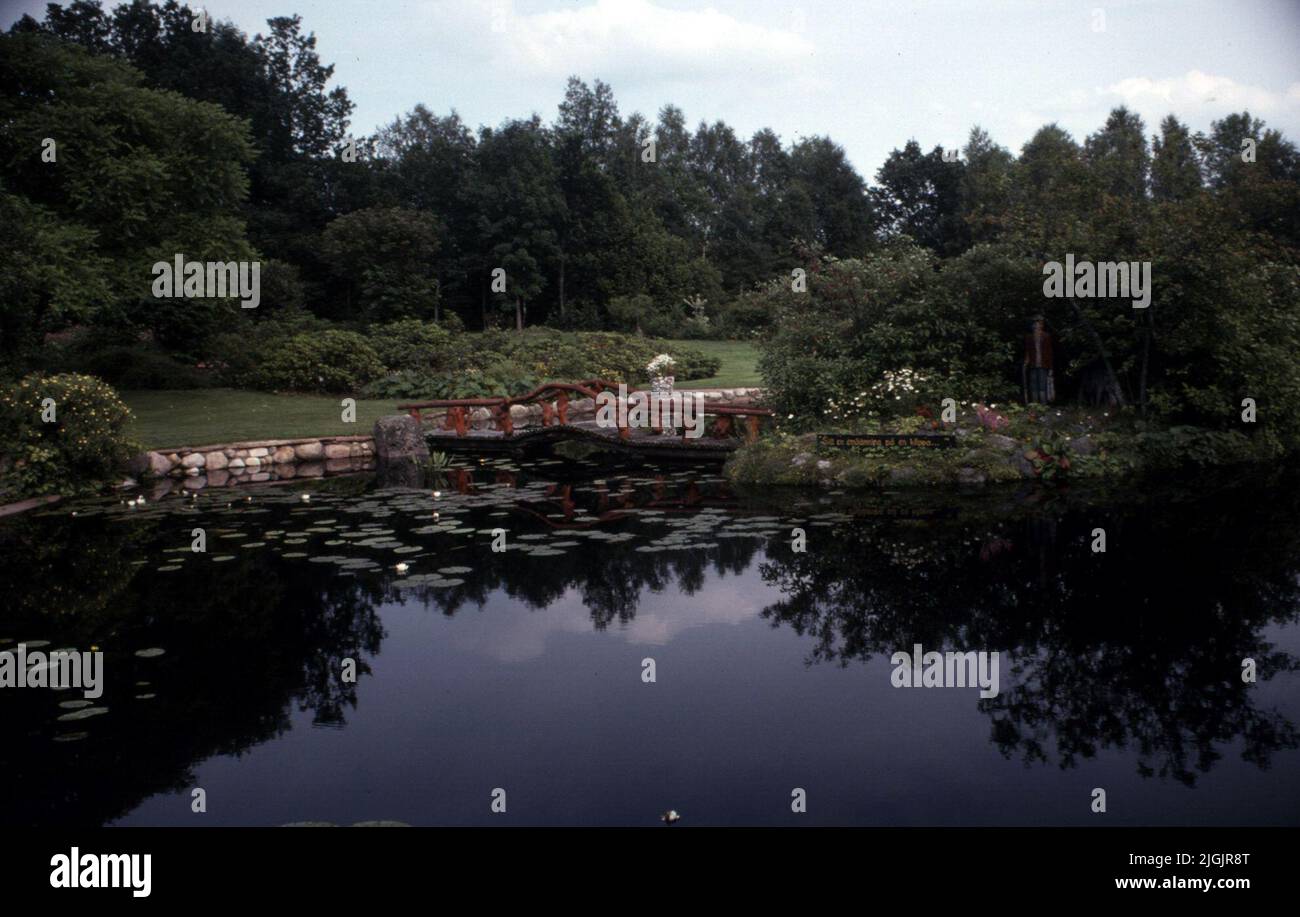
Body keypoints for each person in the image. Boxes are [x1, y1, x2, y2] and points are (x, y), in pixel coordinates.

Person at [1023, 316, 1055, 404]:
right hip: (1033, 365)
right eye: (1035, 324)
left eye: (1038, 324)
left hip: (1043, 365)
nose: (1036, 326)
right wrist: (1026, 361)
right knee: (1033, 386)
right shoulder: (1029, 337)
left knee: (1042, 386)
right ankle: (1035, 406)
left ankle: (1043, 405)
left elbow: (1049, 353)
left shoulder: (1046, 336)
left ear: (1041, 325)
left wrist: (1051, 368)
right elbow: (1028, 351)